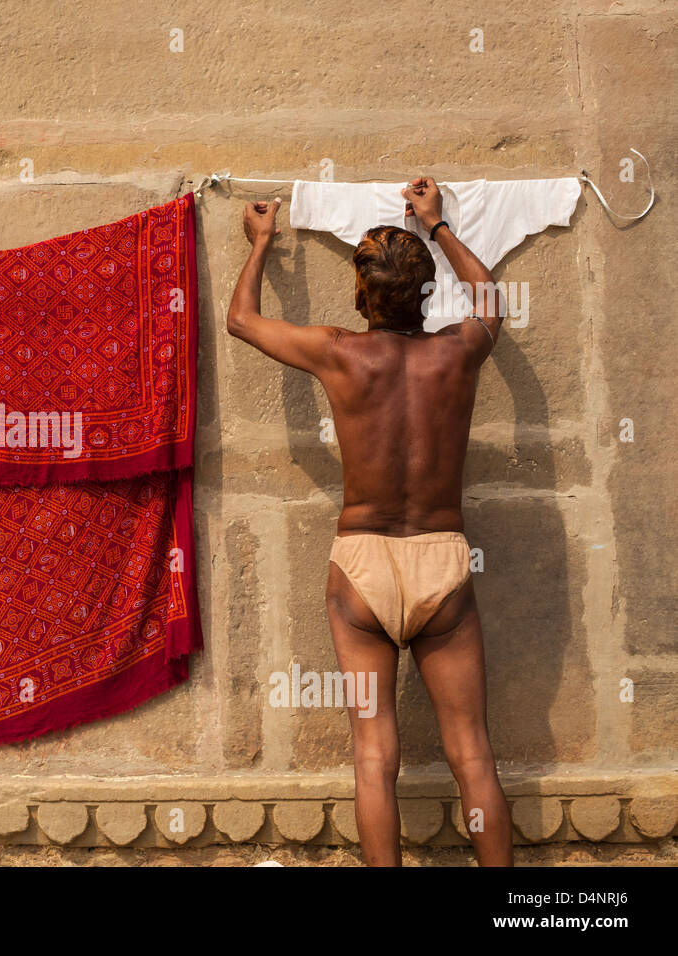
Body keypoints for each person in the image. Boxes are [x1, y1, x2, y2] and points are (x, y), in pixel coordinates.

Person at [226, 178, 513, 866]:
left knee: (373, 754)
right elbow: (494, 300)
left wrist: (261, 243)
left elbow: (241, 320)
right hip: (442, 561)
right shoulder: (458, 353)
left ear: (363, 292)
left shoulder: (338, 351)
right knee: (471, 752)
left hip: (360, 566)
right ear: (423, 292)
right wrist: (437, 226)